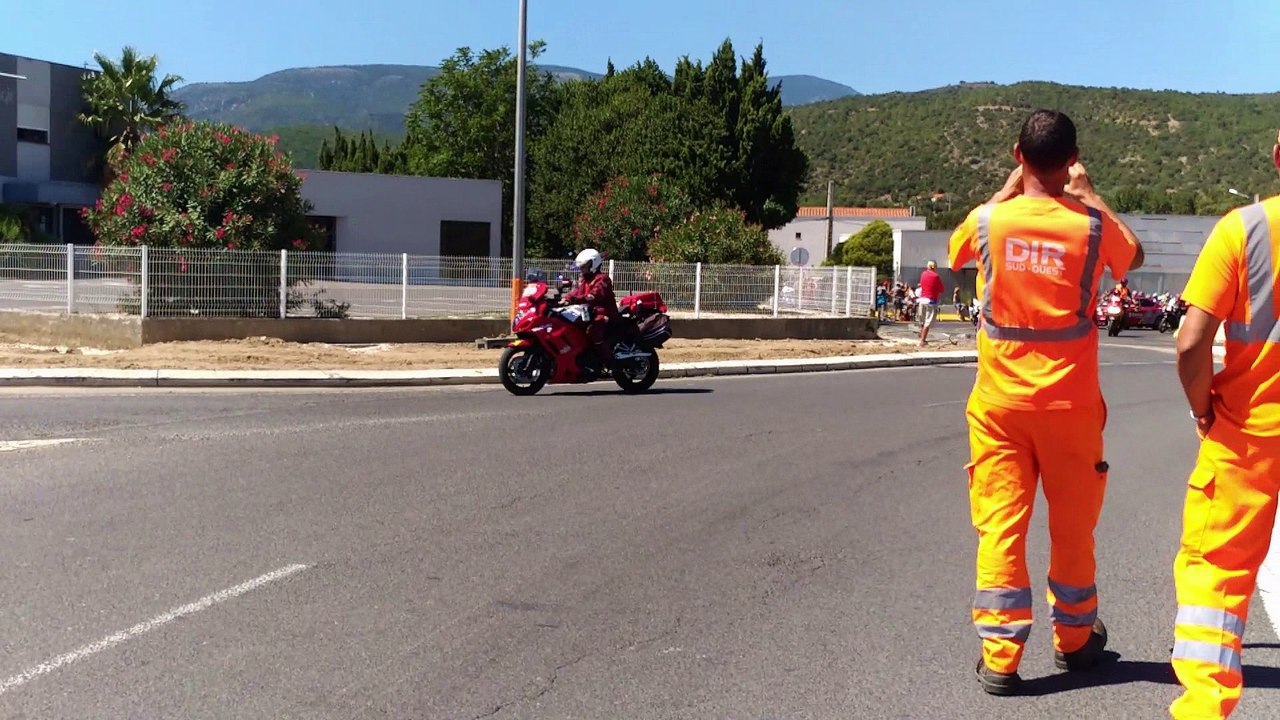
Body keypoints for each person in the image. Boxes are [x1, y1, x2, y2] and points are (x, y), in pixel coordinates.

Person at [948, 109, 1145, 696]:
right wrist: (1090, 194)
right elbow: (1131, 258)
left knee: (1001, 527)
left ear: (1017, 155)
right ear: (1072, 161)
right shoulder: (1090, 226)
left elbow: (957, 253)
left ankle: (1001, 658)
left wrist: (1005, 192)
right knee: (1073, 528)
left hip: (1000, 407)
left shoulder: (988, 221)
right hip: (1070, 407)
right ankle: (1076, 641)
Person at [1168, 129, 1280, 719]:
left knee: (1217, 570)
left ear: (1279, 156)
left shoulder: (1245, 229)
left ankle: (1205, 709)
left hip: (1248, 432)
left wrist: (1203, 409)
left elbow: (1191, 343)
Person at [563, 248, 619, 371]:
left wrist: (576, 299)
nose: (582, 269)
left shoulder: (602, 279)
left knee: (593, 331)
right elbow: (575, 292)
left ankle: (609, 360)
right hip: (589, 313)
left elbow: (594, 295)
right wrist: (565, 299)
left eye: (585, 266)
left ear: (593, 264)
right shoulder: (584, 280)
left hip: (604, 313)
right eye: (581, 266)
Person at [917, 261, 945, 345]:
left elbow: (922, 284)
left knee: (922, 321)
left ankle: (921, 335)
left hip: (922, 300)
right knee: (928, 321)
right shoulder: (936, 276)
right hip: (931, 301)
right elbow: (942, 289)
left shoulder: (923, 274)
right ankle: (923, 340)